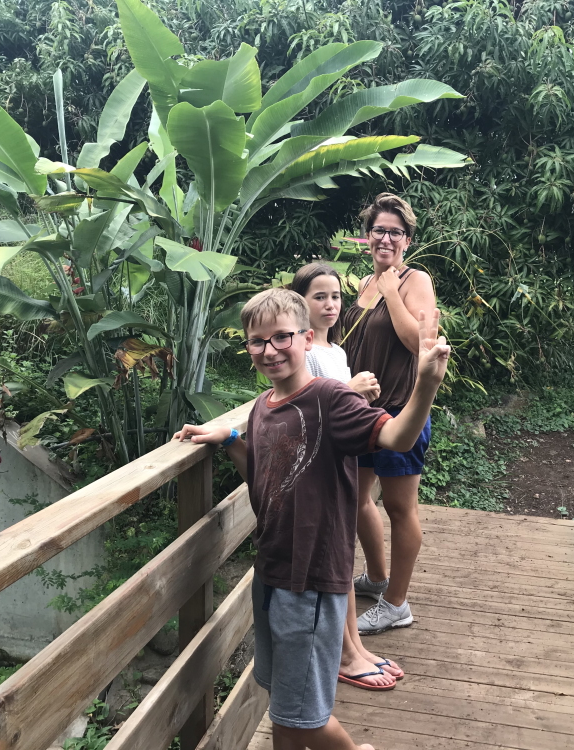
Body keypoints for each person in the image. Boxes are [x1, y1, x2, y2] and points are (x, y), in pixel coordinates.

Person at [174, 288, 450, 750]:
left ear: (306, 338)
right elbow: (263, 479)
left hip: (313, 579)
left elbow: (399, 438)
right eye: (257, 342)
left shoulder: (330, 399)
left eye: (282, 337)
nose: (270, 350)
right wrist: (230, 439)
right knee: (284, 703)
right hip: (273, 571)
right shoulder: (264, 406)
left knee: (302, 718)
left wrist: (426, 384)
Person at [291, 263, 403, 692]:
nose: (330, 304)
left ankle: (355, 645)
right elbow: (304, 405)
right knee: (331, 563)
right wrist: (351, 392)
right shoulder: (302, 351)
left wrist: (361, 396)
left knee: (342, 559)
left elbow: (341, 407)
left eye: (336, 296)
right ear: (299, 300)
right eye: (319, 296)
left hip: (343, 467)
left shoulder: (335, 351)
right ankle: (344, 653)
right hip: (317, 469)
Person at [341, 193, 438, 635]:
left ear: (407, 240)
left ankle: (397, 603)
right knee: (356, 498)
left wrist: (391, 290)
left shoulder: (415, 279)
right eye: (378, 230)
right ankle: (378, 577)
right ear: (368, 236)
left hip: (399, 410)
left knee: (401, 507)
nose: (385, 238)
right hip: (360, 411)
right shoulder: (363, 283)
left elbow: (419, 343)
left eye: (394, 232)